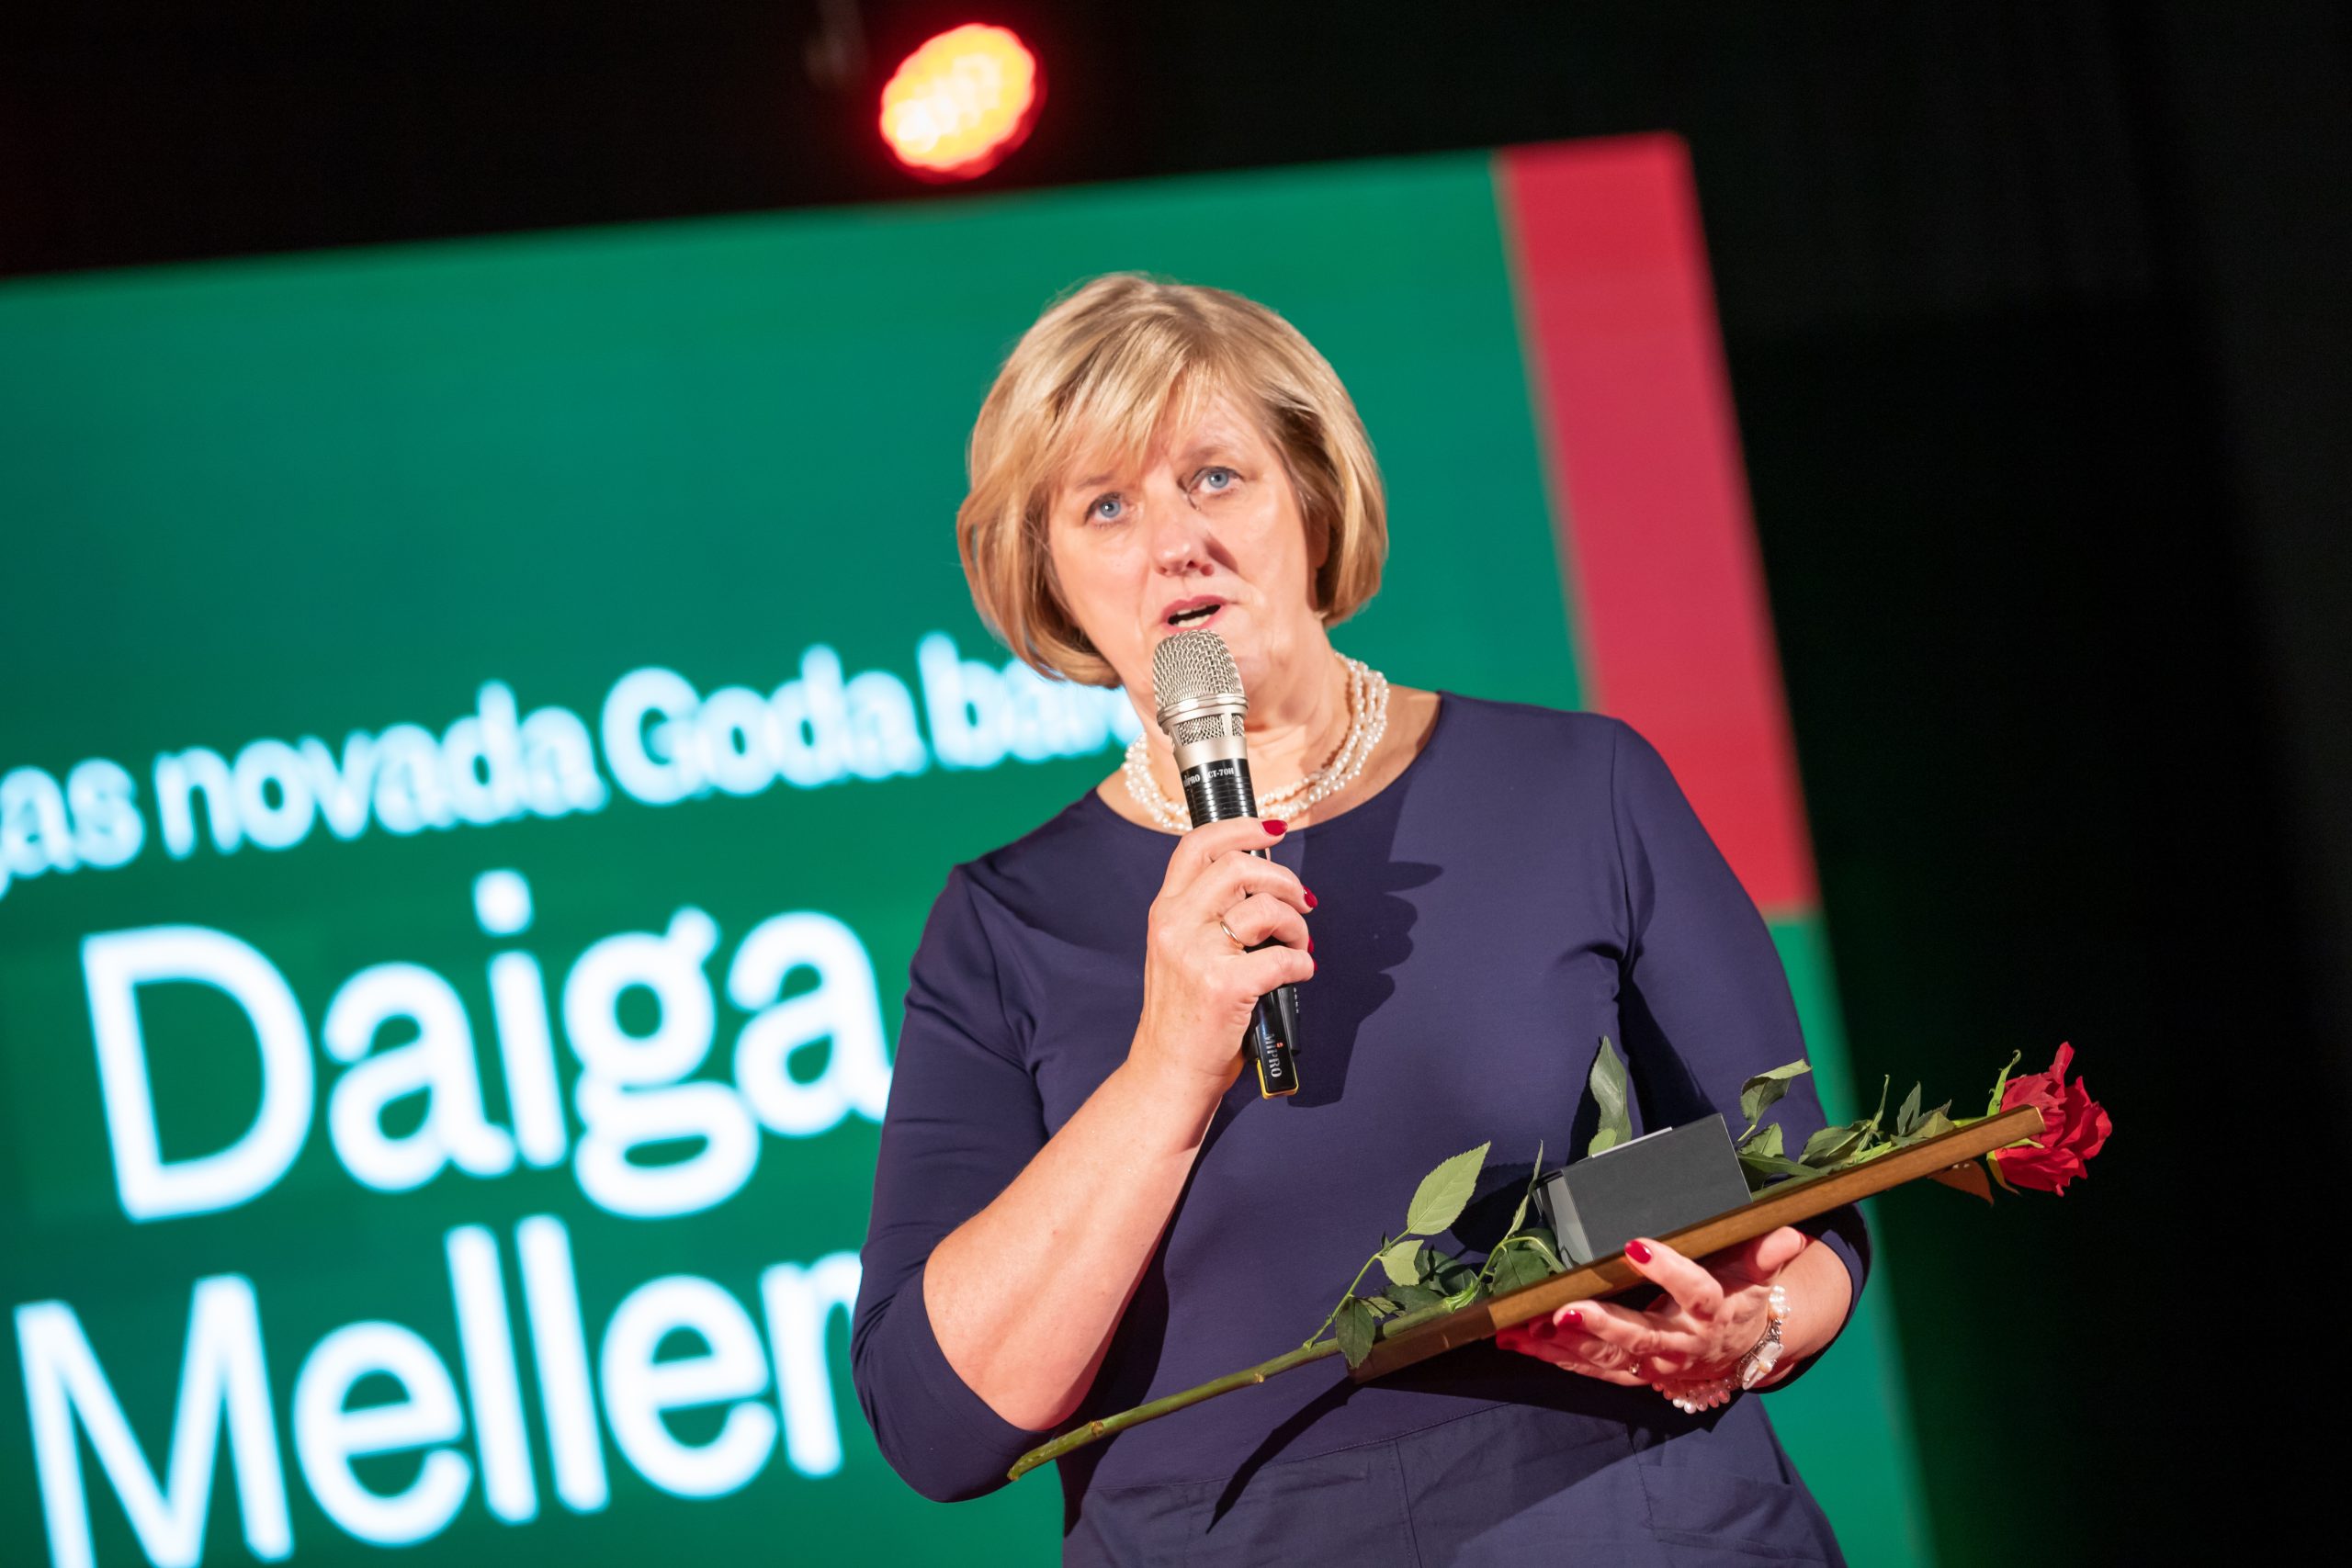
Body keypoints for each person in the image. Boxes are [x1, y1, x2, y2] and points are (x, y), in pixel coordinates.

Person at [851, 273, 1870, 1565]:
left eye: (1216, 478)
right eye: (1105, 506)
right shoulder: (1002, 927)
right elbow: (937, 1430)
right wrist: (1168, 1067)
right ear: (1048, 578)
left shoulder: (1577, 788)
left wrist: (1753, 1331)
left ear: (1314, 503)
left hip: (1633, 1518)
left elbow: (1799, 1190)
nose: (1175, 542)